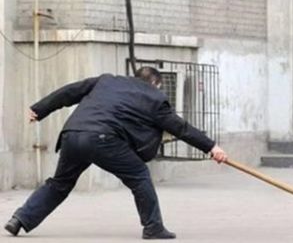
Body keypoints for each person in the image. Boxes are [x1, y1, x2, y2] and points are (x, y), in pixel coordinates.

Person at [3, 66, 228, 240]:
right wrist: (211, 147)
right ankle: (153, 227)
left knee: (59, 183)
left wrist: (40, 109)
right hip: (104, 138)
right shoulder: (155, 98)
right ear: (156, 84)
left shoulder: (106, 81)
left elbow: (70, 92)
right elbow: (181, 128)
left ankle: (20, 218)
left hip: (72, 134)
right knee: (139, 176)